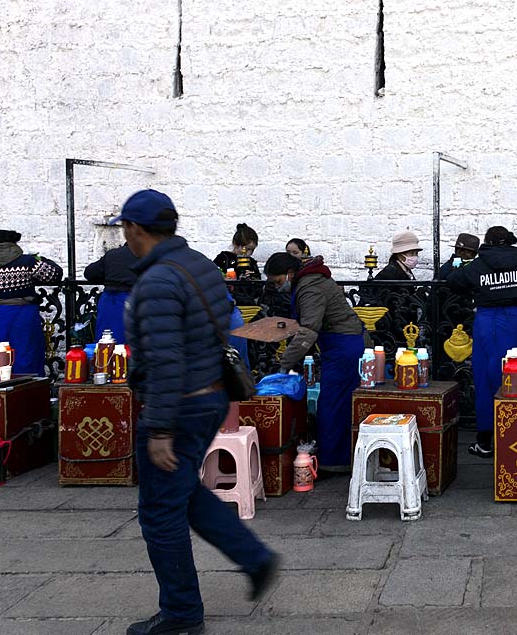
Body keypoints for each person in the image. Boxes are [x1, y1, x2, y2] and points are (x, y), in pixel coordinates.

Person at [118, 189, 277, 635]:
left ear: (136, 229)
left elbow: (165, 359)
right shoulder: (199, 265)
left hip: (179, 405)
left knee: (159, 512)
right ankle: (254, 557)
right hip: (210, 396)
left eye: (125, 229)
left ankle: (182, 615)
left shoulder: (157, 282)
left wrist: (160, 429)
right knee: (184, 491)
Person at [446, 226, 517, 457]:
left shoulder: (478, 265)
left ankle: (486, 441)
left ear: (487, 242)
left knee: (486, 380)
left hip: (487, 321)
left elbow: (453, 281)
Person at [264, 252, 366, 474]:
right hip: (339, 345)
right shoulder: (309, 281)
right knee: (337, 403)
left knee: (332, 405)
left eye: (279, 281)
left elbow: (309, 330)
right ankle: (338, 458)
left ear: (290, 273)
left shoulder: (310, 288)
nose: (278, 287)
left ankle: (333, 462)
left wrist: (286, 362)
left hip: (343, 347)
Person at [0, 230, 62, 376]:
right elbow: (53, 275)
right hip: (21, 315)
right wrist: (42, 260)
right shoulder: (27, 262)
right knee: (25, 355)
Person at [84, 242, 137, 343]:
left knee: (108, 342)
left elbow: (90, 273)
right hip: (137, 301)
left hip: (111, 301)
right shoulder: (149, 255)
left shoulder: (112, 255)